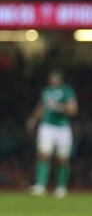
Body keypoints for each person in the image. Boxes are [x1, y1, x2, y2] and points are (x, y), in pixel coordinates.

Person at [26, 70, 78, 198]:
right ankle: (41, 186)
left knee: (63, 158)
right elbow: (41, 107)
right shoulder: (46, 91)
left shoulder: (67, 91)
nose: (53, 80)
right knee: (43, 155)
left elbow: (73, 110)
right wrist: (33, 119)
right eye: (52, 78)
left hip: (62, 127)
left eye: (56, 78)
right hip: (47, 126)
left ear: (61, 79)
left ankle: (61, 188)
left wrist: (59, 107)